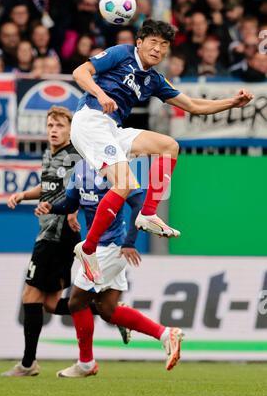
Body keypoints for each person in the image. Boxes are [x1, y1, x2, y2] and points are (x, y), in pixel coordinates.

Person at [70, 18, 254, 284]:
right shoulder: (122, 53)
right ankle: (88, 249)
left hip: (112, 128)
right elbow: (80, 72)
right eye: (153, 42)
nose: (157, 48)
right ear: (140, 42)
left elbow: (193, 105)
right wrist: (100, 94)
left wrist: (232, 103)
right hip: (90, 120)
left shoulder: (154, 79)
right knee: (124, 184)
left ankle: (147, 213)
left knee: (169, 146)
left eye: (164, 44)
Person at [1, 106, 129, 377]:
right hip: (51, 233)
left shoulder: (75, 156)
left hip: (55, 236)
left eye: (59, 126)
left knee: (30, 295)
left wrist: (71, 211)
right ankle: (111, 311)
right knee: (50, 303)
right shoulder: (50, 155)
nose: (53, 130)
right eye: (50, 126)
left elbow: (80, 189)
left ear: (71, 130)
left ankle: (28, 364)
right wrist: (24, 194)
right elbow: (48, 188)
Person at [36, 159, 184, 377]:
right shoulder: (80, 168)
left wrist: (130, 243)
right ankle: (166, 334)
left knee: (77, 302)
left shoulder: (116, 167)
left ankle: (86, 363)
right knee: (108, 309)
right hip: (102, 248)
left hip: (111, 248)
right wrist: (52, 207)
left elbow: (138, 203)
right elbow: (71, 203)